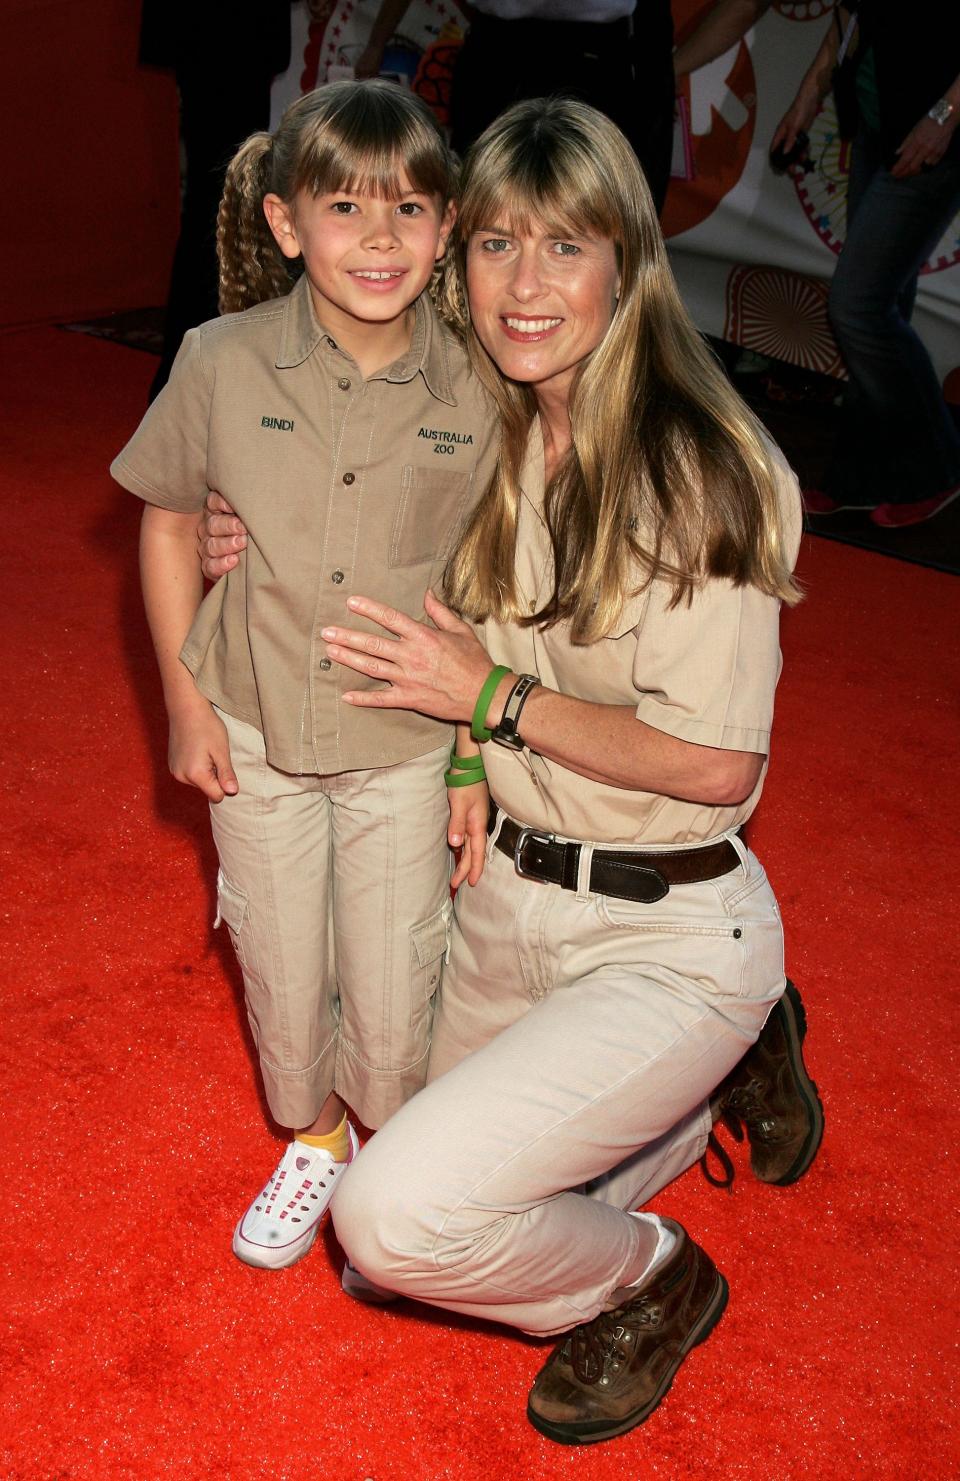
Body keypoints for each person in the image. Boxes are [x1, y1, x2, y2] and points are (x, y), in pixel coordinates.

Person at [205, 97, 824, 1443]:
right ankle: (735, 1062)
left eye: (566, 247)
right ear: (456, 264)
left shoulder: (706, 470)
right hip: (503, 899)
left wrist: (490, 703)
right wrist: (237, 533)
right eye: (493, 246)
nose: (526, 287)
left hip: (662, 920)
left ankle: (656, 1281)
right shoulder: (477, 424)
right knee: (394, 1254)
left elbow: (718, 766)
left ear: (627, 263)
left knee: (397, 1215)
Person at [110, 81, 497, 1278]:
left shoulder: (484, 389)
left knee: (394, 983)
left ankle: (387, 1142)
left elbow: (493, 591)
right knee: (279, 962)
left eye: (410, 211)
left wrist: (477, 756)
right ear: (284, 224)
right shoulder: (218, 361)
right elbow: (172, 523)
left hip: (401, 742)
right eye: (343, 208)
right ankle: (316, 1137)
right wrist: (182, 700)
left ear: (446, 229)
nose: (379, 239)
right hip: (253, 726)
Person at [774, 1, 960, 527]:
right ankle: (861, 473)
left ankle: (939, 466)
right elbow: (852, 16)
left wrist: (945, 116)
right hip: (881, 122)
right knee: (883, 305)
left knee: (859, 307)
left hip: (933, 129)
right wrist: (807, 99)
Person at [354, 0, 676, 213]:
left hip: (599, 53)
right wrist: (375, 44)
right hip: (496, 47)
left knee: (593, 209)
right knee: (480, 203)